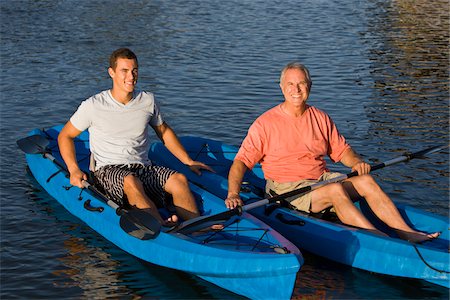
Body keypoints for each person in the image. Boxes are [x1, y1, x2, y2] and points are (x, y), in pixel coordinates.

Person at [225, 62, 439, 243]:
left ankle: (407, 233)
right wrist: (233, 193)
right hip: (287, 189)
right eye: (290, 84)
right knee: (336, 190)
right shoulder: (265, 123)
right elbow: (241, 162)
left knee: (365, 180)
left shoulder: (320, 117)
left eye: (301, 83)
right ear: (282, 88)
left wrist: (356, 162)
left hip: (320, 179)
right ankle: (379, 239)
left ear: (310, 86)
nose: (296, 89)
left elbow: (342, 151)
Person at [58, 48, 213, 227]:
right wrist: (74, 169)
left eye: (134, 70)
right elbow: (65, 136)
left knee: (179, 180)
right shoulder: (93, 105)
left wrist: (188, 161)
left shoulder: (147, 100)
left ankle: (197, 226)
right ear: (112, 73)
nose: (131, 76)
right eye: (124, 71)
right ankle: (160, 227)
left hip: (142, 168)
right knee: (131, 181)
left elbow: (163, 131)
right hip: (107, 171)